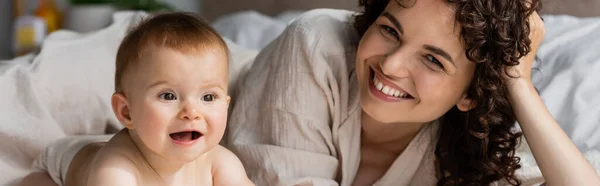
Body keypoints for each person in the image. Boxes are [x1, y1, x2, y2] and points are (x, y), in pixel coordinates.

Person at [224, 0, 600, 185]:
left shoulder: (467, 148)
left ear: (469, 94)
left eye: (434, 61)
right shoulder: (314, 44)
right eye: (389, 30)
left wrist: (519, 84)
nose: (390, 65)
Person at [21, 12, 254, 186]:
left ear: (226, 104)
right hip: (61, 163)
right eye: (168, 95)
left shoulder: (220, 163)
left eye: (208, 96)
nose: (191, 112)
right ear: (126, 112)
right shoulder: (115, 170)